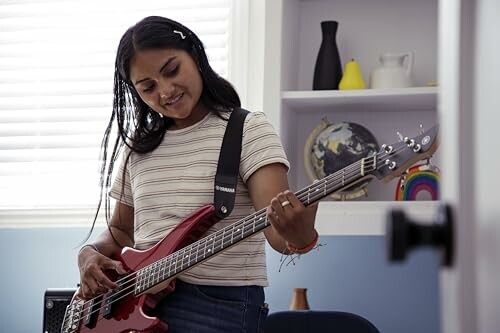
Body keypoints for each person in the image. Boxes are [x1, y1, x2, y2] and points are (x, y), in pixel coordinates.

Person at [77, 16, 318, 333]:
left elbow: (280, 238)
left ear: (195, 54)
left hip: (220, 307)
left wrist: (299, 236)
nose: (165, 91)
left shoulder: (248, 129)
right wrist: (88, 254)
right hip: (132, 308)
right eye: (148, 87)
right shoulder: (138, 149)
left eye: (172, 70)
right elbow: (122, 232)